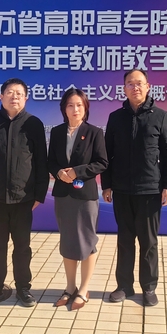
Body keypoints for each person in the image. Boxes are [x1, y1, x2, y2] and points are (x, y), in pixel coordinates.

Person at [101, 69, 167, 307]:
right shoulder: (116, 117)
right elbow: (107, 155)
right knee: (125, 240)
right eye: (130, 84)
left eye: (139, 83)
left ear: (148, 87)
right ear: (124, 88)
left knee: (148, 242)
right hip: (122, 190)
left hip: (149, 190)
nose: (135, 88)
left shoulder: (161, 116)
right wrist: (107, 185)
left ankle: (149, 287)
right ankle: (124, 286)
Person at [0, 78, 49, 308]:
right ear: (1, 96)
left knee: (22, 247)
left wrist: (39, 195)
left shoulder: (34, 124)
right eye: (10, 92)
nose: (14, 97)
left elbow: (41, 162)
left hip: (23, 199)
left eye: (19, 93)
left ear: (26, 98)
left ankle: (24, 289)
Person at [48, 89, 108, 310]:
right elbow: (50, 161)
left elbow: (101, 163)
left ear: (86, 108)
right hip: (63, 195)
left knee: (87, 241)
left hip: (85, 196)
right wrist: (58, 172)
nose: (75, 109)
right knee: (68, 240)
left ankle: (83, 289)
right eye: (70, 105)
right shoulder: (57, 132)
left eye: (79, 105)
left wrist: (76, 172)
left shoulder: (94, 132)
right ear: (64, 109)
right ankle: (70, 286)